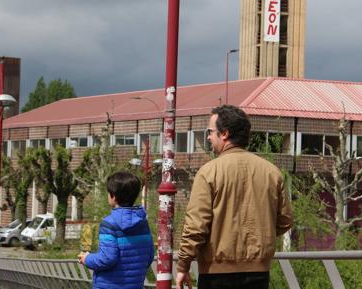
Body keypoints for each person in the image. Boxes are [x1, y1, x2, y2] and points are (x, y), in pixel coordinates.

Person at [175, 105, 293, 289]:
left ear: (225, 134)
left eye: (210, 132)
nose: (208, 137)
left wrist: (183, 265)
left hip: (216, 272)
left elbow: (196, 226)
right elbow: (285, 220)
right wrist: (261, 234)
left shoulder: (209, 172)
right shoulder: (271, 172)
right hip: (259, 272)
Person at [79, 171, 154, 289]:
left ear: (113, 196)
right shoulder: (143, 223)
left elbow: (107, 258)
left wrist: (87, 258)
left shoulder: (109, 223)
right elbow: (149, 256)